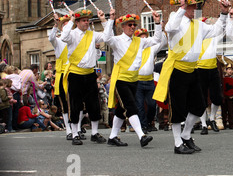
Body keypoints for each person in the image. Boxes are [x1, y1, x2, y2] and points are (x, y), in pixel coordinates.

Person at [153, 0, 229, 154]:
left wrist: (223, 13)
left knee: (199, 106)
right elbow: (169, 28)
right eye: (193, 6)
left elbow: (217, 30)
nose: (196, 9)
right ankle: (177, 142)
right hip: (177, 70)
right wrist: (181, 8)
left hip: (193, 70)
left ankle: (186, 135)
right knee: (178, 108)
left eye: (197, 6)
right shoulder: (176, 20)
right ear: (185, 6)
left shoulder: (199, 25)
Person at [103, 11, 162, 147]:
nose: (132, 27)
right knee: (131, 107)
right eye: (129, 25)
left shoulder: (139, 41)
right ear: (122, 26)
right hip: (121, 80)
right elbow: (106, 38)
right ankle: (141, 136)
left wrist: (157, 23)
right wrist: (110, 19)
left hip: (134, 80)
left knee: (120, 110)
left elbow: (156, 39)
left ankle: (112, 137)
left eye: (134, 25)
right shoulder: (117, 40)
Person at [60, 8, 111, 145]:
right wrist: (70, 20)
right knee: (75, 104)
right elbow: (63, 37)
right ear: (77, 22)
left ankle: (94, 133)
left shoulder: (92, 34)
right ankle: (75, 133)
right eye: (83, 20)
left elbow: (107, 37)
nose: (87, 23)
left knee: (94, 104)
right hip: (75, 74)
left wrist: (104, 20)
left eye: (88, 20)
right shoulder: (71, 34)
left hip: (89, 74)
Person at [134, 28, 167, 134]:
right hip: (138, 81)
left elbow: (163, 43)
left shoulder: (151, 49)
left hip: (149, 81)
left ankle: (148, 122)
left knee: (152, 104)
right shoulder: (133, 49)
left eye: (145, 37)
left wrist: (161, 30)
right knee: (140, 105)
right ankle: (143, 126)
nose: (144, 39)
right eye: (141, 37)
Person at [197, 17, 225, 134]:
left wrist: (228, 17)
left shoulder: (214, 37)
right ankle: (203, 124)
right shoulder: (196, 38)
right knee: (202, 98)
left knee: (217, 97)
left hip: (213, 69)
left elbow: (222, 30)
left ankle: (212, 118)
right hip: (200, 69)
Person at [49, 13, 72, 138]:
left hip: (74, 72)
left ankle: (76, 128)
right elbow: (51, 38)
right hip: (63, 74)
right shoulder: (58, 41)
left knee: (77, 102)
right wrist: (55, 25)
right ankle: (68, 129)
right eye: (65, 24)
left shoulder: (75, 40)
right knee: (64, 102)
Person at [222, 63, 233, 130]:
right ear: (226, 70)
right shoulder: (223, 78)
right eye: (229, 69)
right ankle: (224, 123)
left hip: (231, 96)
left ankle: (232, 124)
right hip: (224, 96)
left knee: (231, 111)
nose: (230, 71)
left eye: (231, 69)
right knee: (224, 111)